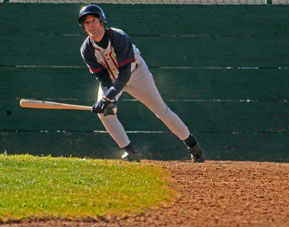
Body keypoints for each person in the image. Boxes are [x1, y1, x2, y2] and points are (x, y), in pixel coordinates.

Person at [78, 4, 204, 162]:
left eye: (94, 20)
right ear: (83, 27)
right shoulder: (86, 49)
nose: (91, 25)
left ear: (102, 21)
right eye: (87, 22)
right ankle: (130, 152)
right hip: (111, 78)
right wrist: (106, 101)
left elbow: (124, 74)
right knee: (104, 113)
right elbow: (102, 77)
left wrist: (108, 98)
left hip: (136, 73)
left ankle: (193, 146)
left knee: (161, 111)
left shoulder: (118, 37)